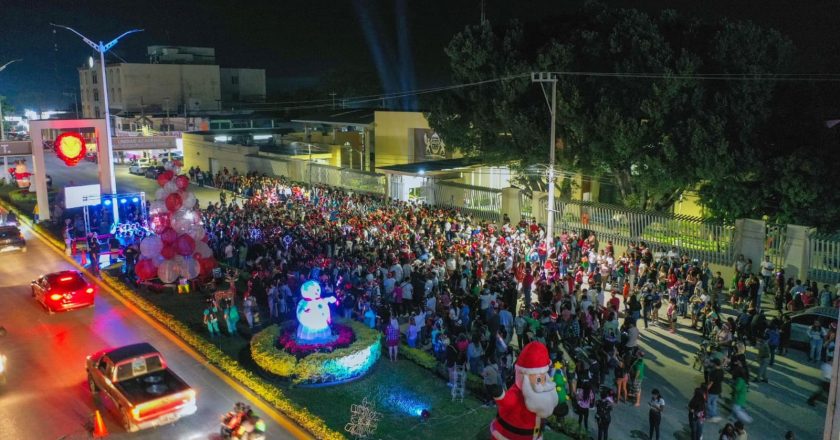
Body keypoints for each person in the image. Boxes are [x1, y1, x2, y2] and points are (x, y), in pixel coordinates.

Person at [706, 358, 724, 423]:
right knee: (714, 403)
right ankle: (713, 414)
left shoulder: (713, 372)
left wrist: (706, 389)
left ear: (714, 364)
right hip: (718, 389)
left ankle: (713, 415)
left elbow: (711, 383)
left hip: (712, 390)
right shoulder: (722, 371)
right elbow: (721, 381)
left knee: (708, 403)